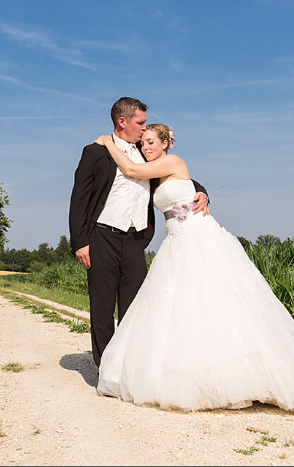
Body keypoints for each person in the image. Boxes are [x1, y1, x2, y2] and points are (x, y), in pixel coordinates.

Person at [93, 124, 294, 412]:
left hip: (197, 236)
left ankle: (245, 374)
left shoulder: (173, 162)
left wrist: (107, 142)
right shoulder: (157, 172)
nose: (146, 148)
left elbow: (133, 171)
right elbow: (182, 184)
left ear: (166, 143)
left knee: (216, 298)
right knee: (182, 307)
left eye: (151, 142)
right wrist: (202, 192)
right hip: (176, 242)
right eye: (143, 144)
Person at [68, 97, 209, 368]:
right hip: (102, 236)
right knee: (102, 305)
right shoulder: (95, 152)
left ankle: (129, 366)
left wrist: (203, 192)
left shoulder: (145, 152)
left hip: (135, 239)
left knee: (135, 307)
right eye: (140, 123)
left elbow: (180, 177)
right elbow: (79, 199)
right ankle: (106, 368)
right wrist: (80, 242)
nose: (145, 130)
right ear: (123, 122)